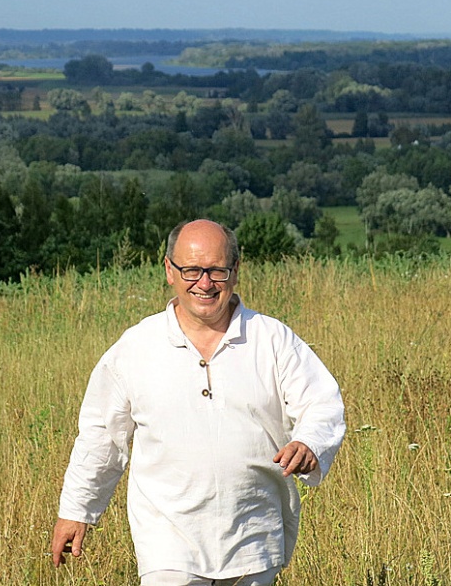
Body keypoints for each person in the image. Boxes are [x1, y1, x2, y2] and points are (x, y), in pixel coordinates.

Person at [51, 219, 345, 586]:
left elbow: (322, 404)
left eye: (217, 271)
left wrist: (310, 443)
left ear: (236, 271)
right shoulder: (136, 348)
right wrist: (77, 510)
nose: (204, 284)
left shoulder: (272, 340)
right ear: (169, 271)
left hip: (253, 533)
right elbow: (101, 437)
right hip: (167, 541)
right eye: (191, 270)